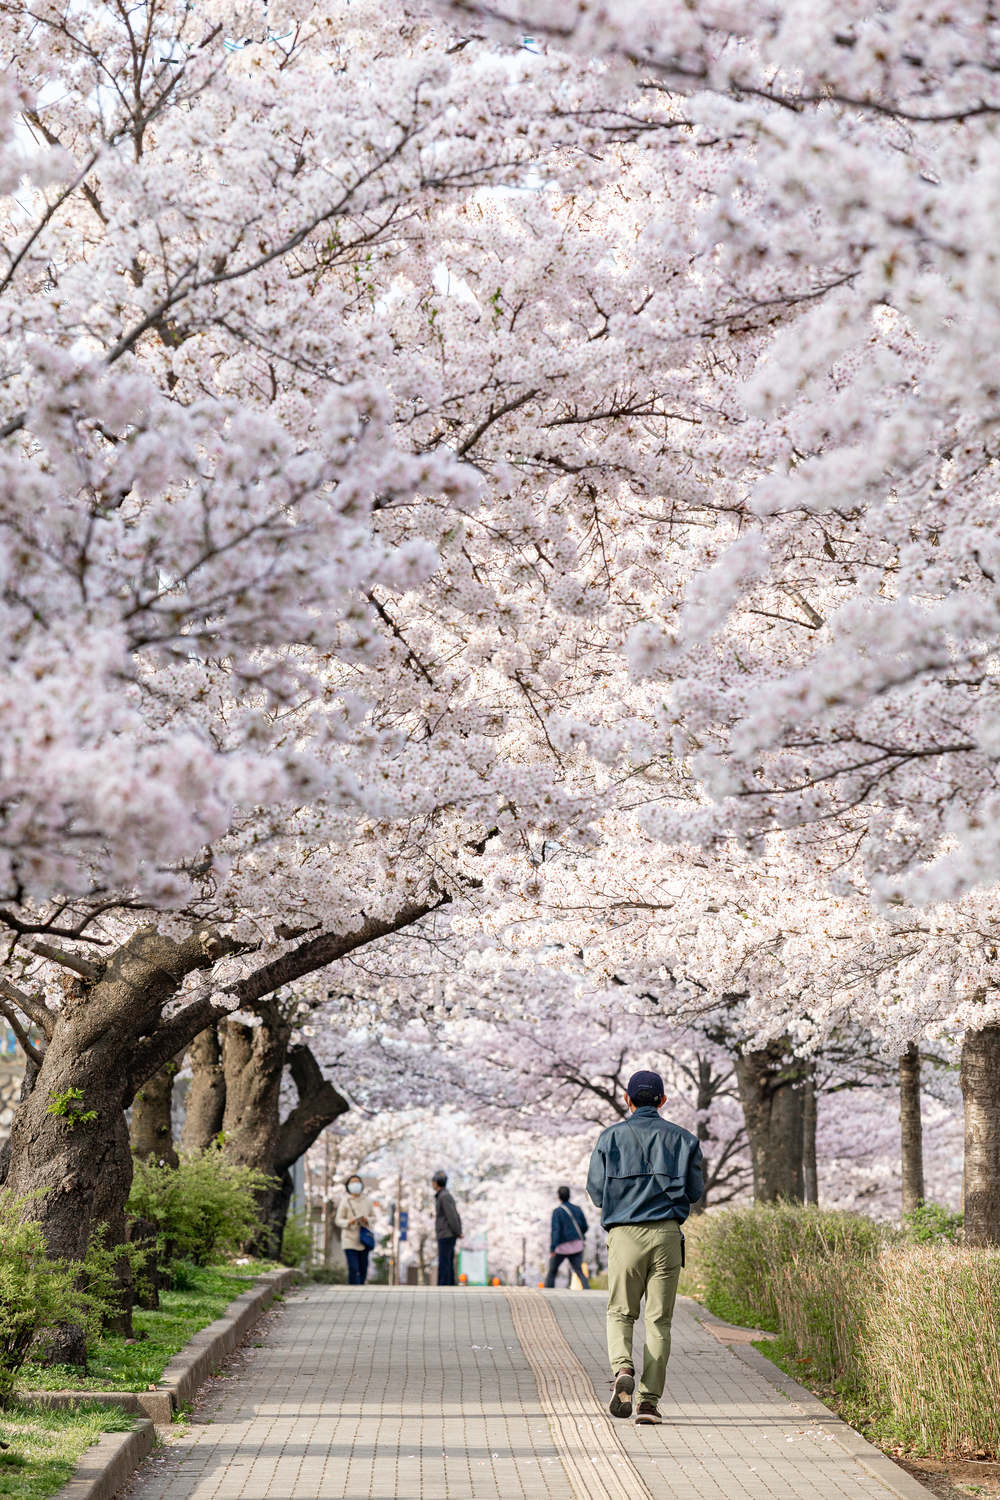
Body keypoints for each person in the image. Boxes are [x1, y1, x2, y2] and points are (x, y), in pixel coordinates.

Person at [587, 1069, 703, 1427]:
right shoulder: (685, 1140)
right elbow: (695, 1192)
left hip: (625, 1235)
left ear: (628, 1099)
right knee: (659, 1321)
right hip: (667, 1236)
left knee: (621, 1312)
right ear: (663, 1101)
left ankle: (623, 1367)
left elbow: (595, 1192)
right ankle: (648, 1403)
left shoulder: (610, 1137)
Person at [545, 1185, 591, 1289]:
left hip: (561, 1248)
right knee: (579, 1271)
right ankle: (587, 1291)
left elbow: (556, 1231)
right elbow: (585, 1226)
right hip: (576, 1246)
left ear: (558, 1196)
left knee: (552, 1271)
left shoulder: (557, 1212)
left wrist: (553, 1248)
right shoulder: (578, 1209)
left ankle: (548, 1291)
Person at [335, 1174, 375, 1286]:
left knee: (363, 1267)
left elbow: (374, 1218)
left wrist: (367, 1220)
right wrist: (348, 1222)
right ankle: (352, 1288)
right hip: (349, 1238)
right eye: (352, 1183)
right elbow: (338, 1220)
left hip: (363, 1238)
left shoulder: (367, 1201)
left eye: (357, 1182)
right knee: (353, 1267)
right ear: (348, 1186)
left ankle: (360, 1287)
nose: (355, 1185)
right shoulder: (345, 1201)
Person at [433, 1171, 462, 1286]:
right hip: (447, 1233)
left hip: (446, 1234)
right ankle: (448, 1286)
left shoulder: (444, 1196)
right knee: (447, 1262)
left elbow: (451, 1215)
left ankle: (444, 1287)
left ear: (436, 1182)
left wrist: (457, 1232)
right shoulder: (444, 1195)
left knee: (444, 1262)